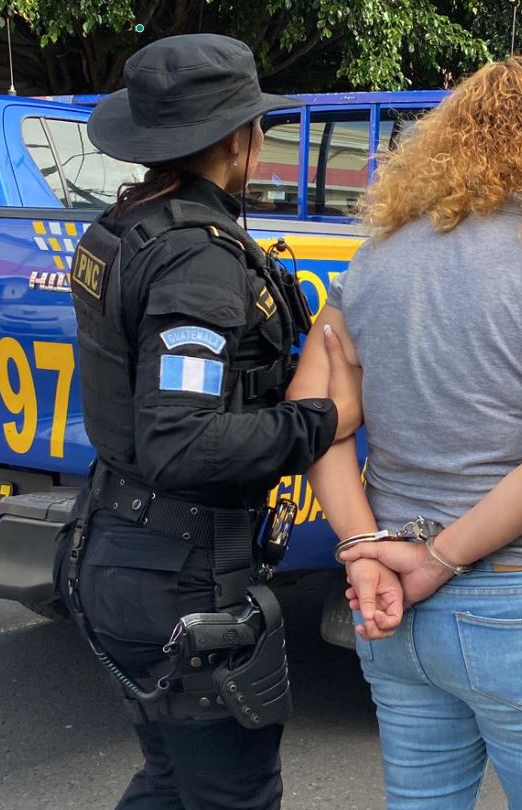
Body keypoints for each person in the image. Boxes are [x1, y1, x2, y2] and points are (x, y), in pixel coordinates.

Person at [297, 57, 522, 809]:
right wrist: (435, 560)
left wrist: (361, 551)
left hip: (395, 601)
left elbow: (313, 422)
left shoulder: (374, 263)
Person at [63, 34, 359, 809]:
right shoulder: (196, 258)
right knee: (233, 795)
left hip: (124, 548)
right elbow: (182, 436)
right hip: (181, 571)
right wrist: (320, 421)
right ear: (238, 139)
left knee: (170, 782)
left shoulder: (125, 224)